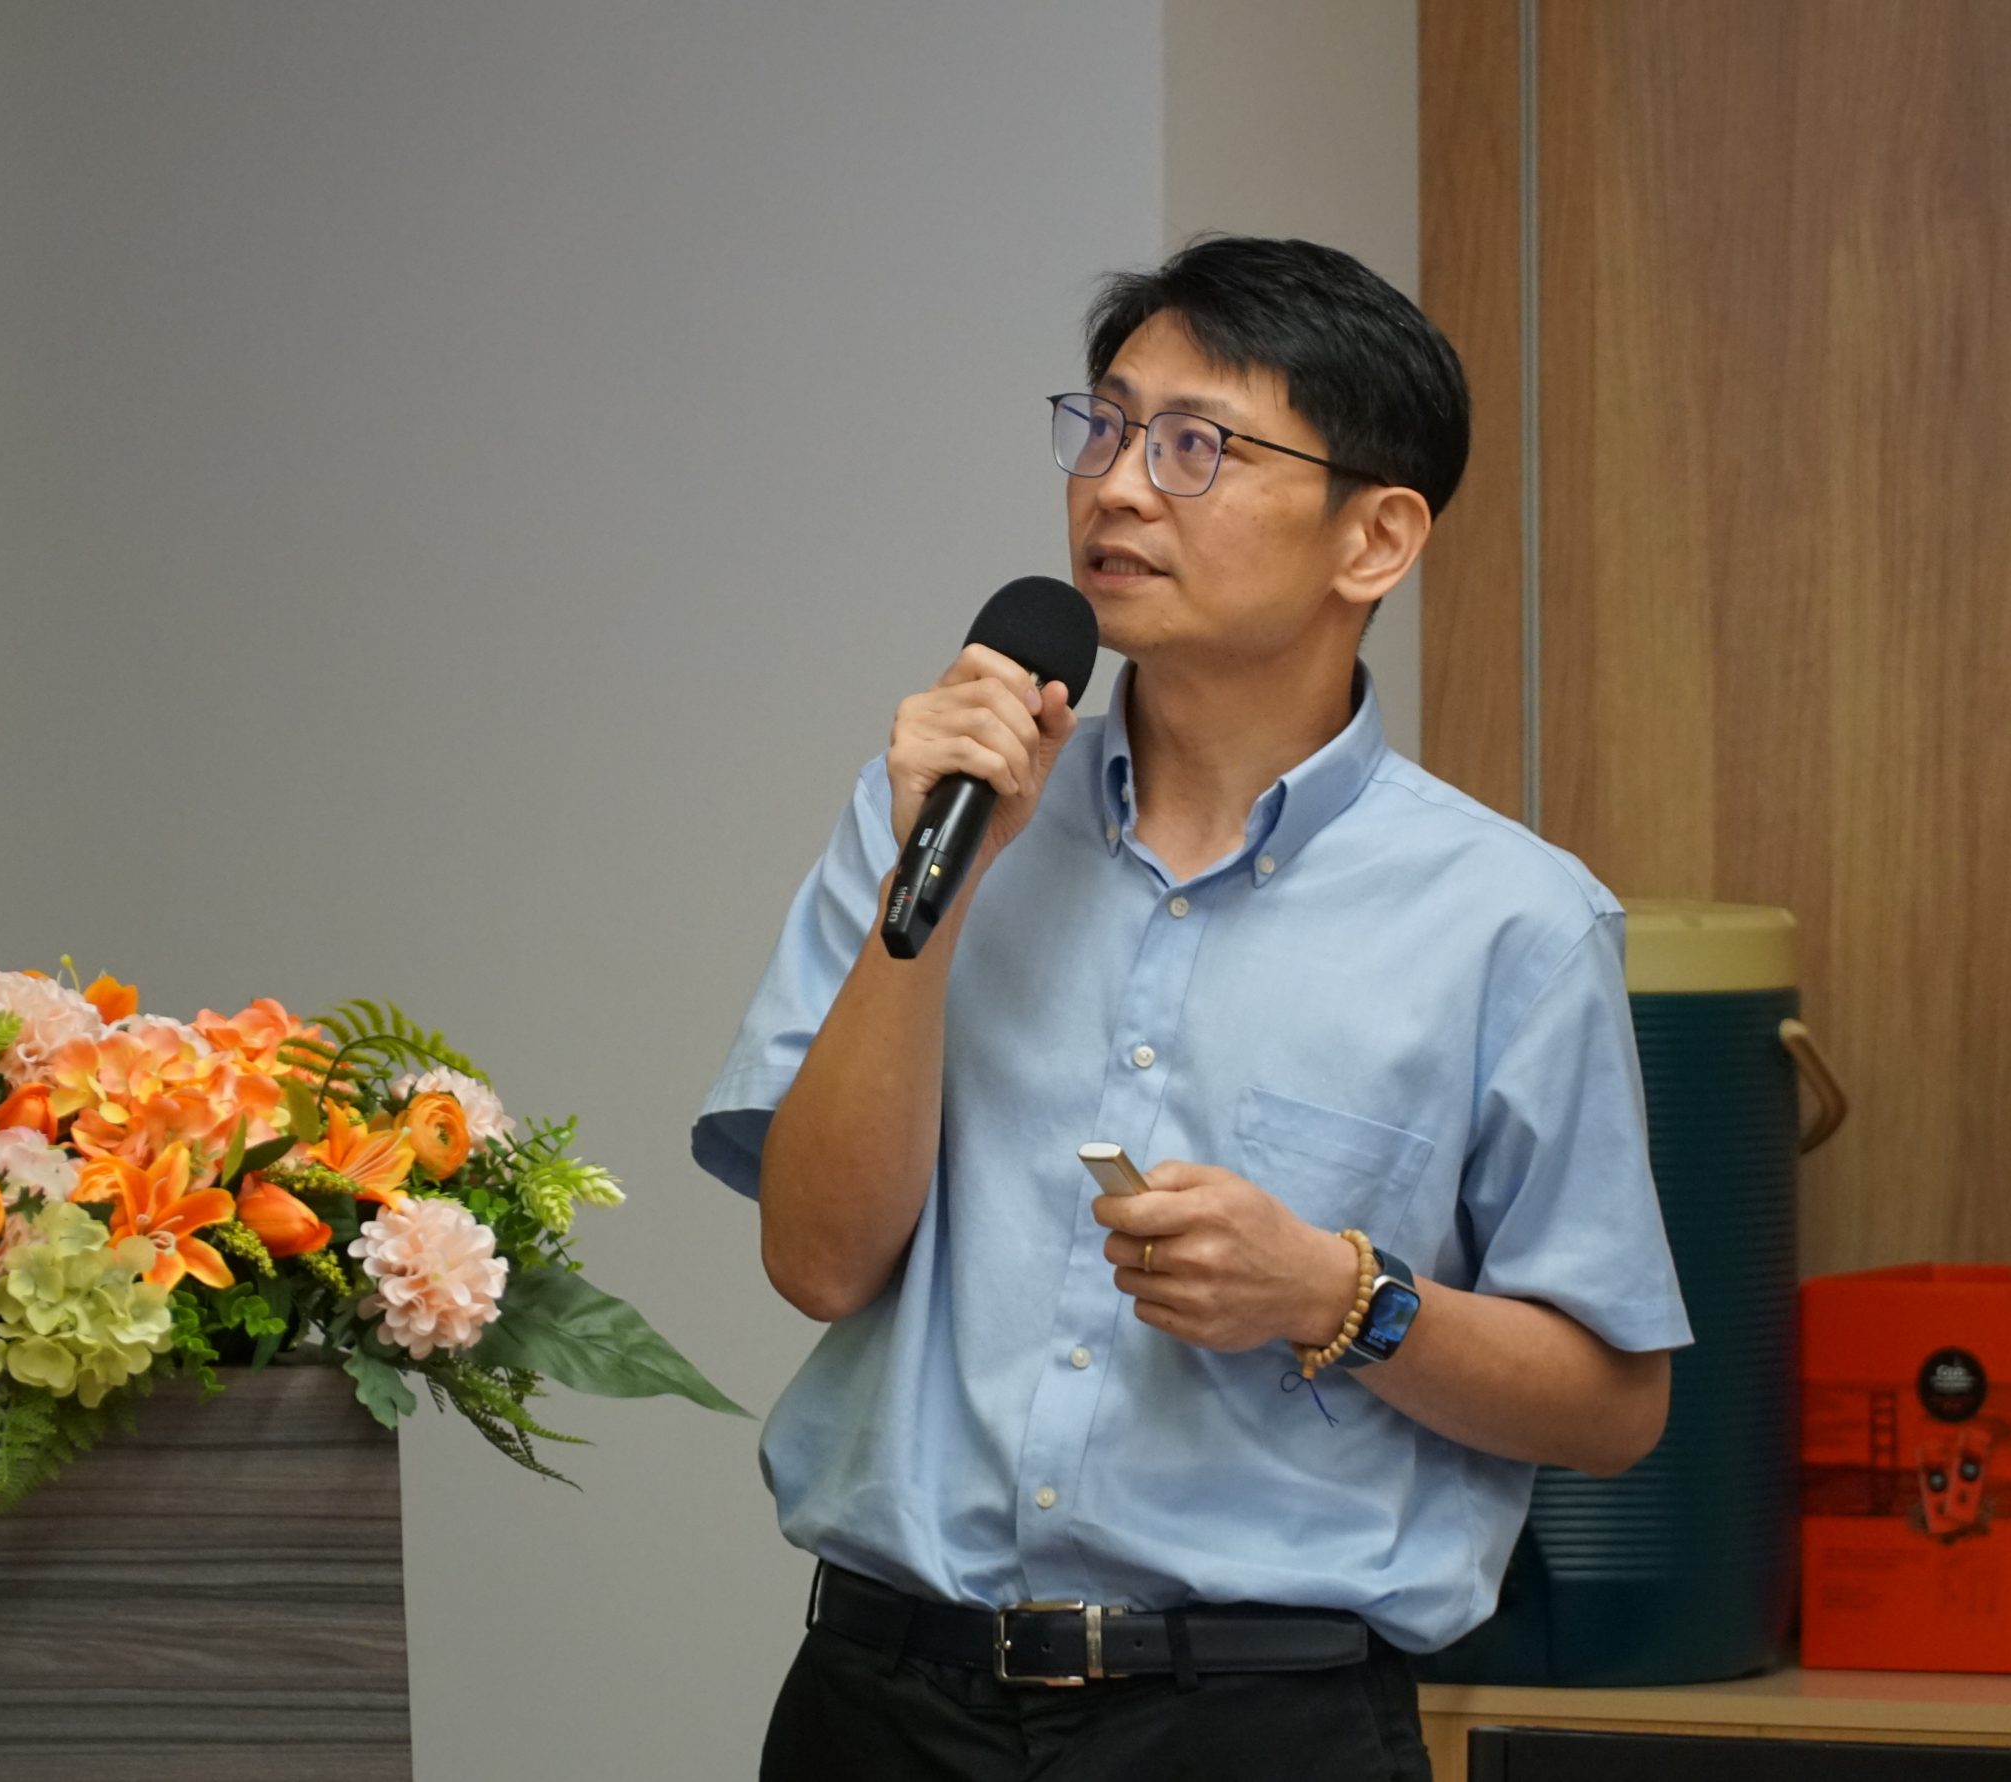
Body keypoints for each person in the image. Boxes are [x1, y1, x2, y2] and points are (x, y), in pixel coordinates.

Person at [691, 236, 1691, 1781]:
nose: (1118, 486)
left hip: (1256, 1722)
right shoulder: (940, 812)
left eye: (1195, 446)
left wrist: (1335, 1293)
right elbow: (816, 1259)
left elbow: (1614, 1404)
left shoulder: (1513, 921)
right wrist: (936, 889)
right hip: (883, 1697)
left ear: (1376, 537)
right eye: (1103, 426)